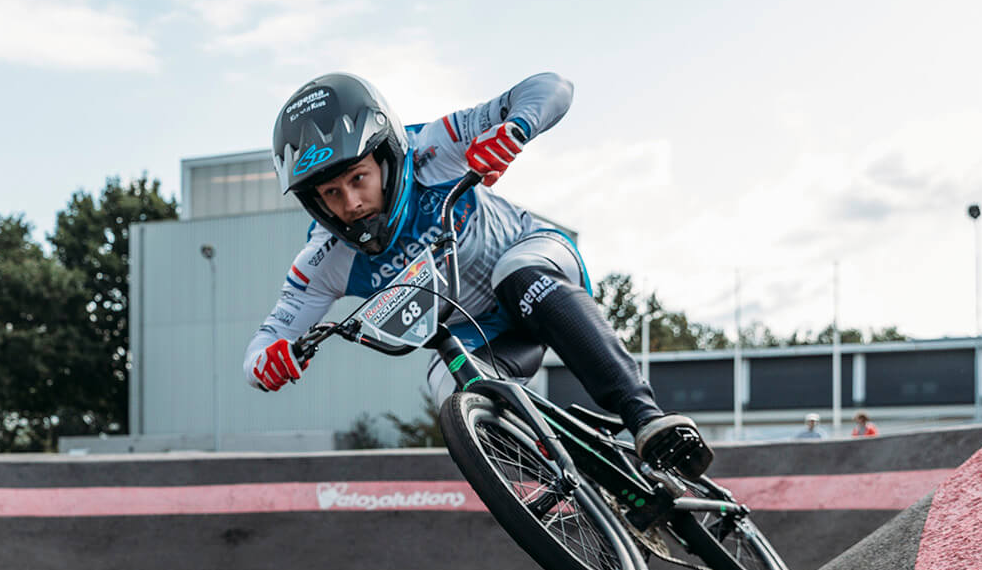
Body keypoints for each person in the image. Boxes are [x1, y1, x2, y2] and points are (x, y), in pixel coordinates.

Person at [245, 71, 712, 478]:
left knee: (516, 273)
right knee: (449, 390)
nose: (351, 204)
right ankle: (564, 485)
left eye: (358, 179)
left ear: (385, 158)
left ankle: (646, 417)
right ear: (313, 200)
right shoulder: (322, 258)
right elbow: (265, 343)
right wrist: (269, 362)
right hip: (481, 334)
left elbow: (552, 87)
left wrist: (515, 129)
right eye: (331, 192)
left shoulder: (434, 147)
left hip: (533, 263)